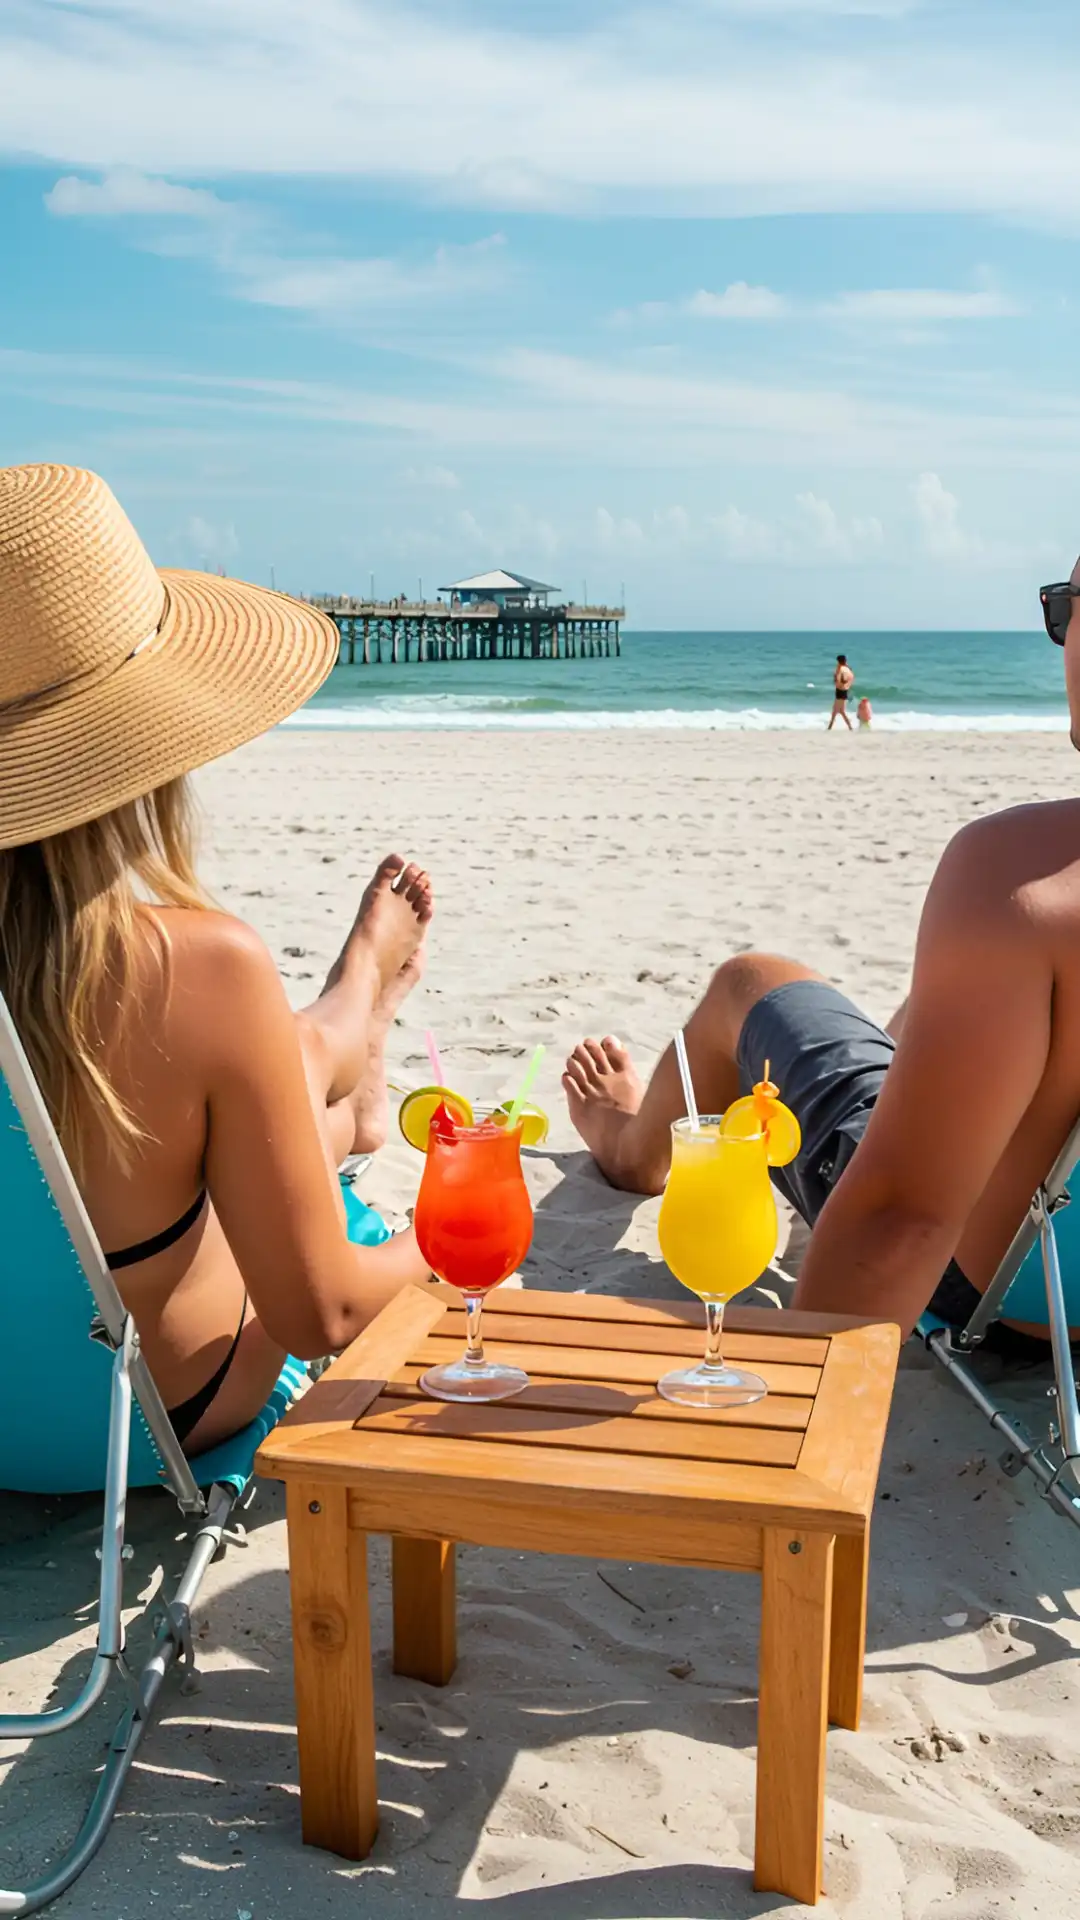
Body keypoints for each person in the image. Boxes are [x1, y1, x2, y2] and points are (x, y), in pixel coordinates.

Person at [0, 463, 435, 1455]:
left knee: (192, 1099)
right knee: (218, 1069)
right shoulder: (198, 968)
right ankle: (352, 1029)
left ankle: (345, 1037)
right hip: (143, 1422)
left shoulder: (184, 981)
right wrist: (460, 1247)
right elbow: (318, 1314)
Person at [564, 562, 1080, 1348]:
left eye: (1065, 607)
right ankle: (913, 1054)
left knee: (750, 984)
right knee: (945, 1005)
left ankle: (631, 1145)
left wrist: (791, 1458)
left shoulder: (1022, 881)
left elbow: (899, 1222)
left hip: (1005, 1290)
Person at [828, 653, 855, 730]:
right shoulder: (847, 668)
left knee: (837, 710)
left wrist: (836, 679)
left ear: (838, 661)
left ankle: (830, 727)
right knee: (840, 711)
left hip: (840, 690)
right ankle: (849, 727)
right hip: (844, 690)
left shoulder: (840, 669)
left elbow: (838, 680)